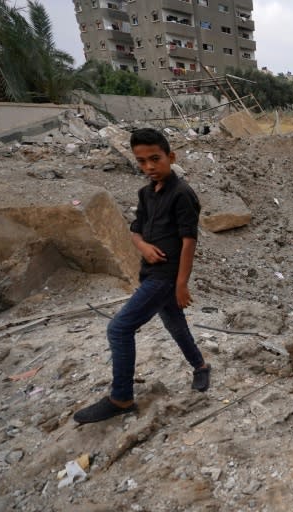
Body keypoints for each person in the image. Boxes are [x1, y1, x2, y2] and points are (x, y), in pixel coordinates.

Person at [74, 128, 211, 424]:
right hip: (150, 271)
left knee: (119, 329)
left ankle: (121, 397)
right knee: (174, 323)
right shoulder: (146, 193)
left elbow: (189, 241)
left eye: (155, 159)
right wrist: (143, 247)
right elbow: (135, 230)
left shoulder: (182, 194)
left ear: (170, 157)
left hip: (166, 276)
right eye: (141, 161)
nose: (149, 167)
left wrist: (181, 285)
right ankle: (200, 366)